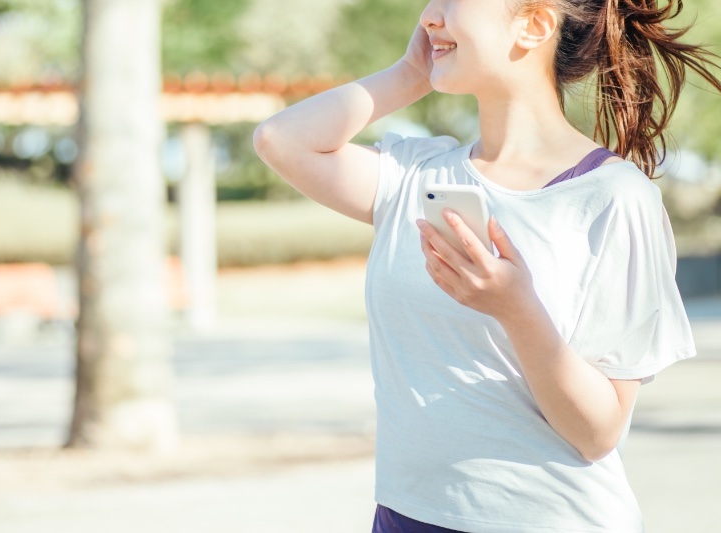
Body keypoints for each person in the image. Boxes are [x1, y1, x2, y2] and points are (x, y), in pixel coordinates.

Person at [253, 0, 721, 531]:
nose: (429, 16)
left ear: (535, 23)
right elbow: (280, 140)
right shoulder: (415, 175)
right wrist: (409, 74)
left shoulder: (614, 198)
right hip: (406, 515)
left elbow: (598, 433)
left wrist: (517, 311)